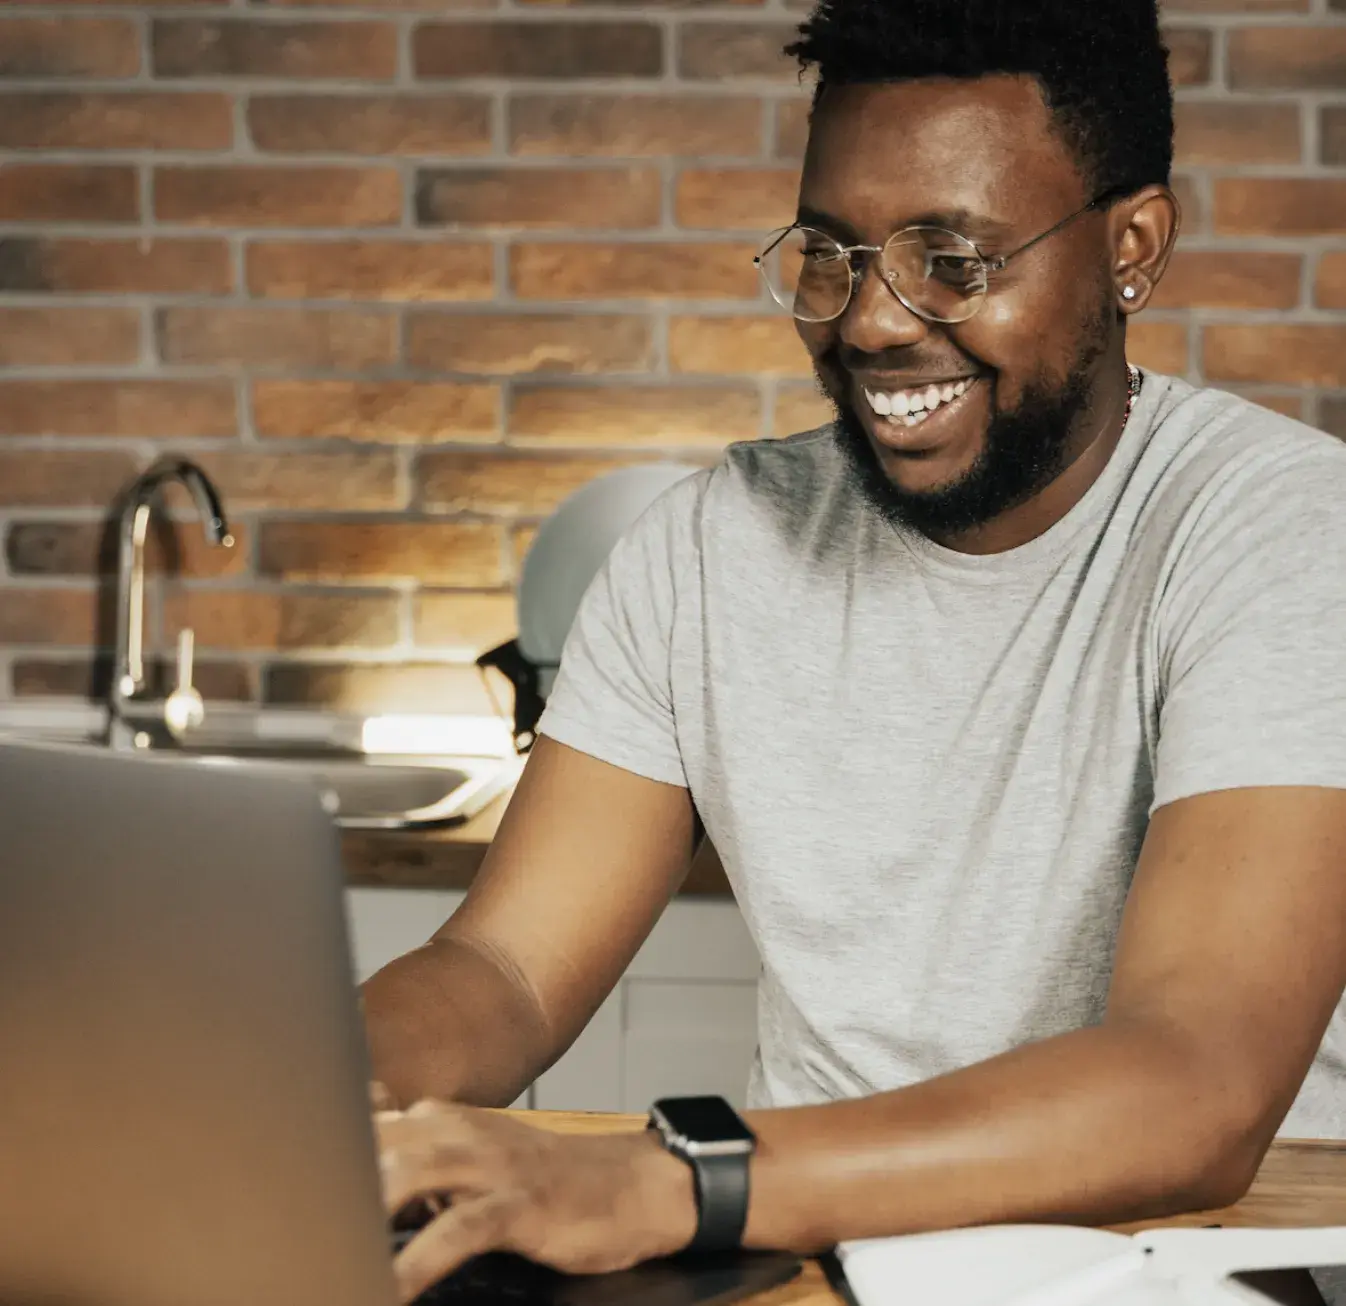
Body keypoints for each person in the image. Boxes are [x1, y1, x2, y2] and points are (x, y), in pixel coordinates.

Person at [364, 1, 1346, 1301]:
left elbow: (1194, 1085)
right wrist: (312, 1093)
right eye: (831, 255)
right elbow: (501, 970)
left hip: (1190, 1264)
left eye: (950, 257)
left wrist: (672, 1177)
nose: (872, 323)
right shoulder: (705, 546)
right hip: (806, 1262)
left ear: (1129, 248)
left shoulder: (1277, 531)